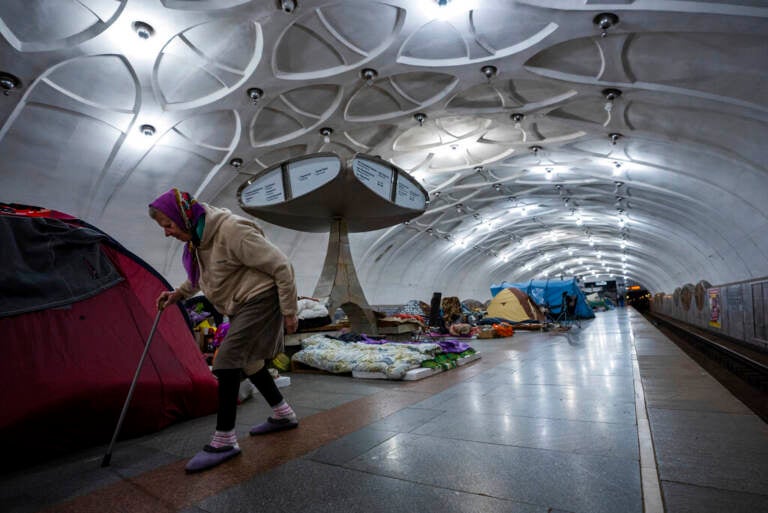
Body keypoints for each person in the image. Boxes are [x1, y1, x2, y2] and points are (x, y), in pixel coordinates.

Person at [148, 188, 299, 473]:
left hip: (261, 298)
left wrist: (290, 311)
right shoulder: (198, 241)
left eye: (168, 225)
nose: (166, 233)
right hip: (239, 305)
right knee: (251, 363)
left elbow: (282, 266)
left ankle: (224, 440)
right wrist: (176, 295)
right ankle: (283, 414)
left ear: (184, 216)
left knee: (226, 361)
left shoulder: (231, 230)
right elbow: (202, 279)